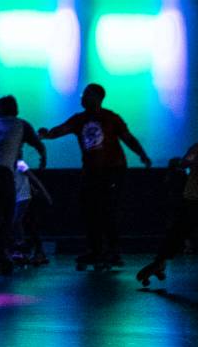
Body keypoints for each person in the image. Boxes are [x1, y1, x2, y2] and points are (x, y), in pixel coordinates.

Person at [38, 83, 151, 269]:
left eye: (86, 95)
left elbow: (128, 138)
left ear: (98, 98)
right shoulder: (79, 119)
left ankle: (112, 252)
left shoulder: (111, 117)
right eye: (83, 95)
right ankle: (96, 251)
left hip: (113, 170)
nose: (82, 98)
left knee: (108, 210)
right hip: (91, 171)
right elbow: (61, 130)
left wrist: (142, 154)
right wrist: (46, 135)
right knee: (90, 210)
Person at [137, 110, 198, 294]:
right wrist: (189, 163)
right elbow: (186, 160)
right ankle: (160, 261)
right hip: (192, 198)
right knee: (178, 231)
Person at [0, 96, 46, 275]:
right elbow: (37, 144)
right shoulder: (21, 124)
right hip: (2, 171)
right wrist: (43, 158)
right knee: (7, 216)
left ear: (2, 110)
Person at [11, 160, 53, 265]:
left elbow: (34, 180)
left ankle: (21, 247)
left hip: (24, 198)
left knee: (17, 221)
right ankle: (33, 251)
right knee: (28, 224)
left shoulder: (20, 164)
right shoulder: (7, 165)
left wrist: (46, 195)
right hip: (15, 198)